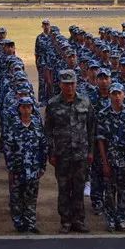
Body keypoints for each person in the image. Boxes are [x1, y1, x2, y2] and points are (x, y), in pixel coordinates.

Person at [45, 69, 95, 234]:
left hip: (80, 154)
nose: (69, 87)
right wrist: (51, 153)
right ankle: (65, 221)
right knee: (64, 189)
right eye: (66, 84)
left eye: (72, 83)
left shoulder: (85, 103)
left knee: (79, 188)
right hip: (62, 155)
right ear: (61, 84)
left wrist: (91, 152)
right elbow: (48, 132)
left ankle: (78, 220)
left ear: (76, 84)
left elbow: (91, 130)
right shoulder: (53, 104)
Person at [3, 95, 47, 233]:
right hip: (18, 168)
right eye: (24, 107)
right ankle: (19, 223)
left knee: (31, 197)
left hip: (33, 168)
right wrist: (11, 167)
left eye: (29, 107)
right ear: (19, 109)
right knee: (16, 197)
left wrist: (42, 166)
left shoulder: (37, 125)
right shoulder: (14, 126)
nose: (26, 110)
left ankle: (30, 223)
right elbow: (8, 148)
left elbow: (43, 147)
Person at [97, 82, 125, 232]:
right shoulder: (103, 114)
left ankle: (121, 219)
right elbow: (101, 140)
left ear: (124, 95)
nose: (117, 97)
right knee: (109, 193)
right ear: (109, 96)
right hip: (110, 160)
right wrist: (104, 162)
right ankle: (110, 220)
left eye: (119, 93)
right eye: (114, 94)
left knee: (123, 192)